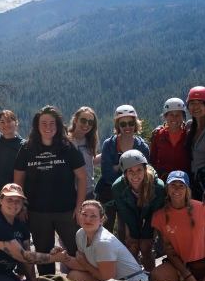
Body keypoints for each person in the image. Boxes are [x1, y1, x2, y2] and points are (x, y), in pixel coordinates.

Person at [14, 105, 87, 275]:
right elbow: (19, 179)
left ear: (59, 125)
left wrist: (79, 206)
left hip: (67, 210)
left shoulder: (68, 147)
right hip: (37, 211)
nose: (48, 127)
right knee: (43, 252)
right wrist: (22, 206)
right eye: (44, 123)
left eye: (52, 123)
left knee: (77, 249)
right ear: (36, 125)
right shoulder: (27, 148)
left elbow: (82, 177)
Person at [149, 171, 205, 281]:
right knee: (156, 277)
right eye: (173, 185)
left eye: (181, 186)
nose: (177, 189)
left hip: (204, 264)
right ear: (167, 188)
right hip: (180, 264)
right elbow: (169, 250)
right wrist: (187, 275)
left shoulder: (203, 209)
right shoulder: (159, 217)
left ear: (187, 189)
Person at [64, 200, 147, 281]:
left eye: (93, 216)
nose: (88, 219)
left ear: (101, 220)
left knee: (76, 279)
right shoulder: (80, 234)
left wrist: (85, 264)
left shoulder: (103, 241)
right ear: (79, 216)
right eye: (84, 214)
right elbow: (81, 263)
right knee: (74, 276)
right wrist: (62, 257)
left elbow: (107, 279)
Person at [95, 105, 150, 239]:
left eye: (130, 123)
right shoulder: (109, 144)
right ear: (117, 125)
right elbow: (106, 171)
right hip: (109, 191)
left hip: (131, 193)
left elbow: (145, 173)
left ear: (135, 124)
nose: (127, 127)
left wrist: (118, 168)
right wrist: (131, 174)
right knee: (104, 230)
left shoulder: (142, 146)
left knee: (127, 233)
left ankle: (124, 259)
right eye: (123, 123)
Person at [112, 150, 165, 271]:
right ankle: (134, 277)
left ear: (145, 169)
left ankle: (150, 277)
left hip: (152, 214)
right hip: (131, 212)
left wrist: (147, 236)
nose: (135, 176)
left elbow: (154, 213)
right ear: (125, 172)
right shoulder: (118, 187)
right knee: (132, 246)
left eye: (139, 170)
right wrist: (134, 235)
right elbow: (126, 213)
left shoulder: (158, 187)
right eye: (130, 171)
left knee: (146, 247)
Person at [149, 98, 189, 181]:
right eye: (171, 114)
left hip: (184, 181)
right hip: (162, 179)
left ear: (183, 117)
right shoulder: (158, 135)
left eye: (178, 114)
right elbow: (153, 160)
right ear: (165, 116)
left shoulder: (189, 135)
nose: (174, 118)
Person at [0, 109, 25, 192]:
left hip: (15, 192)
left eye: (9, 121)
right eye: (2, 122)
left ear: (16, 122)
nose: (6, 124)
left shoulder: (23, 145)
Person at [68, 107, 100, 200]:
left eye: (90, 122)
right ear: (75, 120)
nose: (87, 124)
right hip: (70, 193)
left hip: (89, 191)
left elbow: (89, 163)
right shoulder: (66, 140)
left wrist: (106, 154)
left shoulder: (90, 140)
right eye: (83, 120)